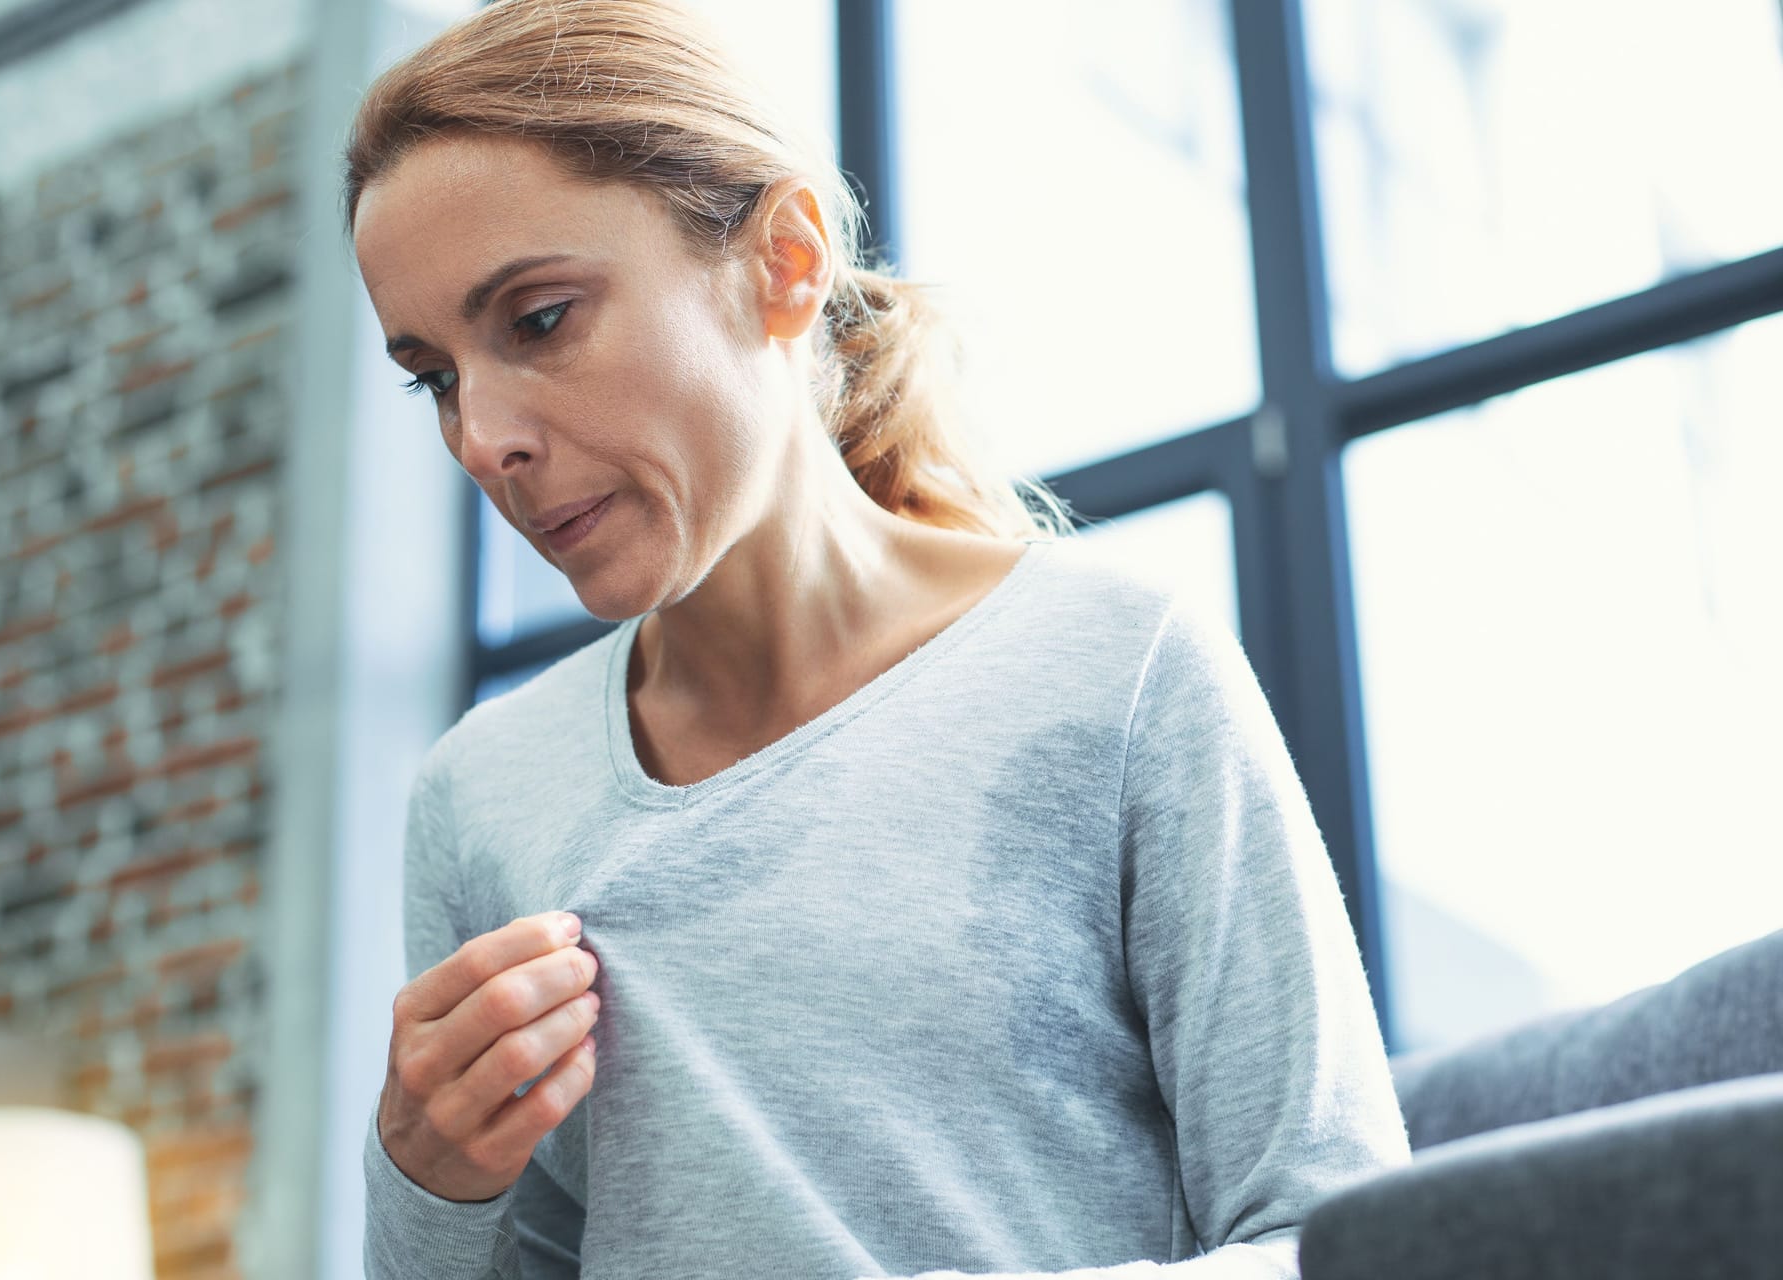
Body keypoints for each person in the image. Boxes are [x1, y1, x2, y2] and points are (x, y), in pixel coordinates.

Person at [347, 2, 1413, 1277]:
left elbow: (1341, 1238)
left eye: (537, 320)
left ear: (784, 262)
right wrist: (424, 1177)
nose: (484, 439)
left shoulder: (1119, 667)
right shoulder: (480, 793)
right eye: (435, 376)